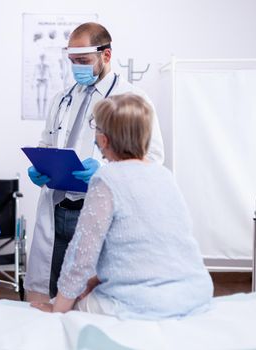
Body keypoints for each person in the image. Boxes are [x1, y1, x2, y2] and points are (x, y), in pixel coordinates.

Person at [32, 93, 213, 319]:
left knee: (67, 311)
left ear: (104, 140)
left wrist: (57, 308)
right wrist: (96, 281)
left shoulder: (106, 179)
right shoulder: (164, 176)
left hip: (141, 302)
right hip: (194, 293)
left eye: (96, 129)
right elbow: (152, 244)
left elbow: (81, 256)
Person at [25, 22, 165, 302]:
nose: (77, 67)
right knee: (51, 289)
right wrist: (39, 165)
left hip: (99, 209)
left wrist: (102, 169)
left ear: (106, 55)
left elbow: (154, 159)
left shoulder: (132, 99)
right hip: (58, 207)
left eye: (84, 61)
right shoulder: (62, 99)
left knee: (88, 297)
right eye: (72, 61)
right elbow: (47, 142)